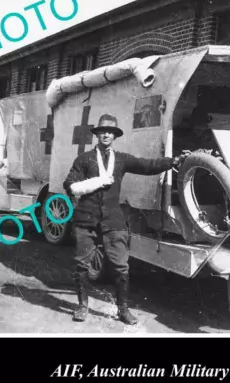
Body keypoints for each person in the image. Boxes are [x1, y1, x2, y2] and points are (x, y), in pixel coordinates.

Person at [63, 113, 183, 324]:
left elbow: (147, 165)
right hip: (86, 218)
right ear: (97, 134)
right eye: (102, 132)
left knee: (121, 266)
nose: (106, 135)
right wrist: (99, 181)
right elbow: (70, 186)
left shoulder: (122, 159)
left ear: (115, 136)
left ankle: (123, 309)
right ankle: (82, 306)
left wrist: (172, 161)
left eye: (110, 132)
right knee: (82, 265)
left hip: (112, 218)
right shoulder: (84, 159)